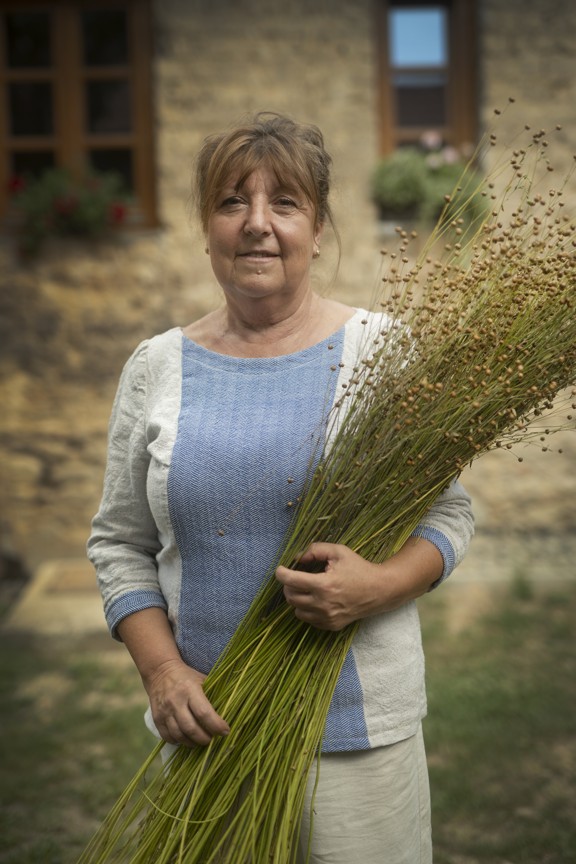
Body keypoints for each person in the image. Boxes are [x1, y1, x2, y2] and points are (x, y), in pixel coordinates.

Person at [88, 112, 474, 863]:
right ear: (206, 228)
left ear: (319, 228)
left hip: (360, 740)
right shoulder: (156, 367)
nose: (256, 225)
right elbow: (119, 543)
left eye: (285, 204)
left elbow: (450, 512)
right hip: (210, 729)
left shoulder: (383, 352)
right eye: (232, 202)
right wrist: (162, 672)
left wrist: (383, 585)